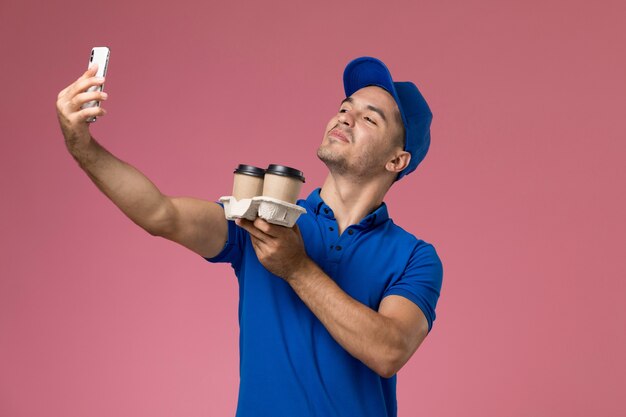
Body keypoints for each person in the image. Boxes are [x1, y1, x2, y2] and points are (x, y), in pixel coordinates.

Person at [56, 56, 443, 417]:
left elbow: (389, 350)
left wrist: (295, 267)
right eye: (345, 107)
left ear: (396, 160)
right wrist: (82, 145)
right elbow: (161, 213)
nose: (344, 117)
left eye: (369, 119)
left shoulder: (415, 257)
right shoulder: (259, 215)